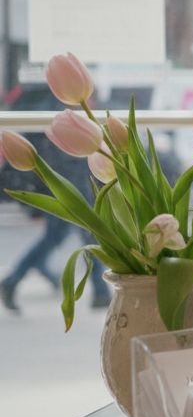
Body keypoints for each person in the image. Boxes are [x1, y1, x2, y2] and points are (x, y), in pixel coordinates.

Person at [2, 132, 110, 313]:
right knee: (90, 229)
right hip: (70, 166)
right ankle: (101, 292)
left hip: (64, 166)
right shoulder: (56, 108)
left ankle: (13, 280)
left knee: (56, 236)